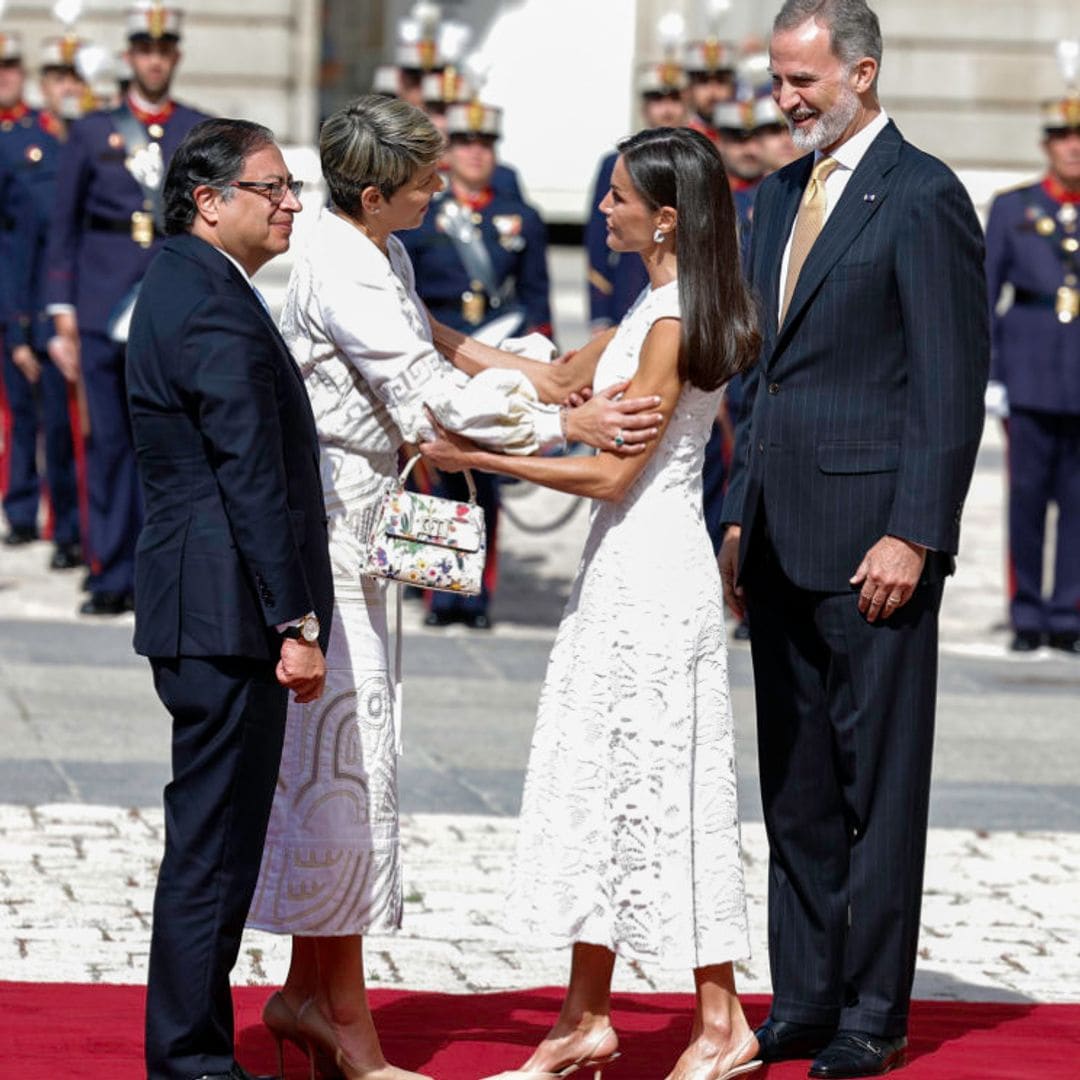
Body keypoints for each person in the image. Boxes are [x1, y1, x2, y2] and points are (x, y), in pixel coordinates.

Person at [245, 94, 659, 1080]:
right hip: (332, 537)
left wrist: (526, 371)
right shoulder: (339, 268)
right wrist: (567, 424)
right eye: (429, 178)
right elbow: (426, 402)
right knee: (349, 770)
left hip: (364, 526)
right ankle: (344, 1021)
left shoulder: (370, 249)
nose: (446, 186)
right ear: (377, 191)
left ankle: (310, 991)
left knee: (342, 764)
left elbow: (431, 333)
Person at [421, 124, 762, 1080]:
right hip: (618, 574)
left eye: (616, 196)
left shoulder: (673, 320)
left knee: (664, 788)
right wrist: (420, 327)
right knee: (605, 785)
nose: (601, 209)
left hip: (657, 574)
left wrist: (480, 459)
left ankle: (723, 1022)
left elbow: (614, 476)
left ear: (663, 217)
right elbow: (556, 380)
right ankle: (583, 1019)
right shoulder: (644, 308)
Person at [717, 3, 987, 1076]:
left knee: (877, 786)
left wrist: (914, 534)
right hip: (779, 534)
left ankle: (874, 1008)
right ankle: (806, 994)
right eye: (778, 80)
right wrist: (738, 510)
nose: (784, 100)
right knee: (797, 786)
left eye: (803, 82)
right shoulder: (777, 195)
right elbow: (760, 372)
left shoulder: (923, 197)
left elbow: (949, 384)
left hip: (876, 545)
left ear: (862, 73)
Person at [127, 117, 333, 1080]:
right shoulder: (208, 300)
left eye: (292, 187)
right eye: (272, 187)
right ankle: (191, 1057)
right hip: (223, 610)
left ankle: (190, 1045)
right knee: (212, 846)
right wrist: (294, 621)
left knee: (210, 839)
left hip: (203, 601)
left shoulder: (190, 279)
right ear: (210, 201)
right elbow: (249, 471)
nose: (290, 202)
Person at [45, 3, 208, 615]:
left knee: (167, 445)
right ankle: (109, 570)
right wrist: (60, 305)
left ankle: (162, 577)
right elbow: (64, 224)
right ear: (130, 57)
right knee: (107, 442)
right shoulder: (93, 131)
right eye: (145, 49)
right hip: (100, 296)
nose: (155, 60)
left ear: (176, 59)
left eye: (164, 51)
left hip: (168, 301)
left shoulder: (197, 129)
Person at [401, 98, 550, 628]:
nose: (475, 153)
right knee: (435, 471)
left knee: (485, 476)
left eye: (485, 144)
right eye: (465, 143)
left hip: (498, 357)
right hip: (441, 351)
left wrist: (542, 369)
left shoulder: (520, 218)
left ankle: (477, 597)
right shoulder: (422, 216)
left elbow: (537, 299)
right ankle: (438, 593)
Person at [984, 83, 1080, 655]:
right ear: (1046, 146)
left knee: (1079, 504)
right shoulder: (1015, 208)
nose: (1072, 148)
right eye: (1063, 137)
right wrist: (993, 375)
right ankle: (1026, 613)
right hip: (1029, 375)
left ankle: (1069, 614)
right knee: (1026, 500)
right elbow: (985, 292)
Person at [0, 31, 83, 567]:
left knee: (60, 420)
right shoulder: (15, 140)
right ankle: (24, 509)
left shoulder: (51, 137)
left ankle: (65, 522)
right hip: (19, 296)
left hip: (58, 299)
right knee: (21, 415)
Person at [585, 60, 687, 335]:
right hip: (629, 288)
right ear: (644, 107)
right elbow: (597, 242)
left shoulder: (697, 163)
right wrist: (600, 314)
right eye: (657, 100)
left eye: (675, 99)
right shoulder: (616, 163)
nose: (667, 109)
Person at [684, 38, 737, 146]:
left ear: (733, 87)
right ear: (689, 89)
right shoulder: (683, 140)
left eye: (721, 81)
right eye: (703, 82)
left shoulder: (748, 141)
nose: (713, 92)